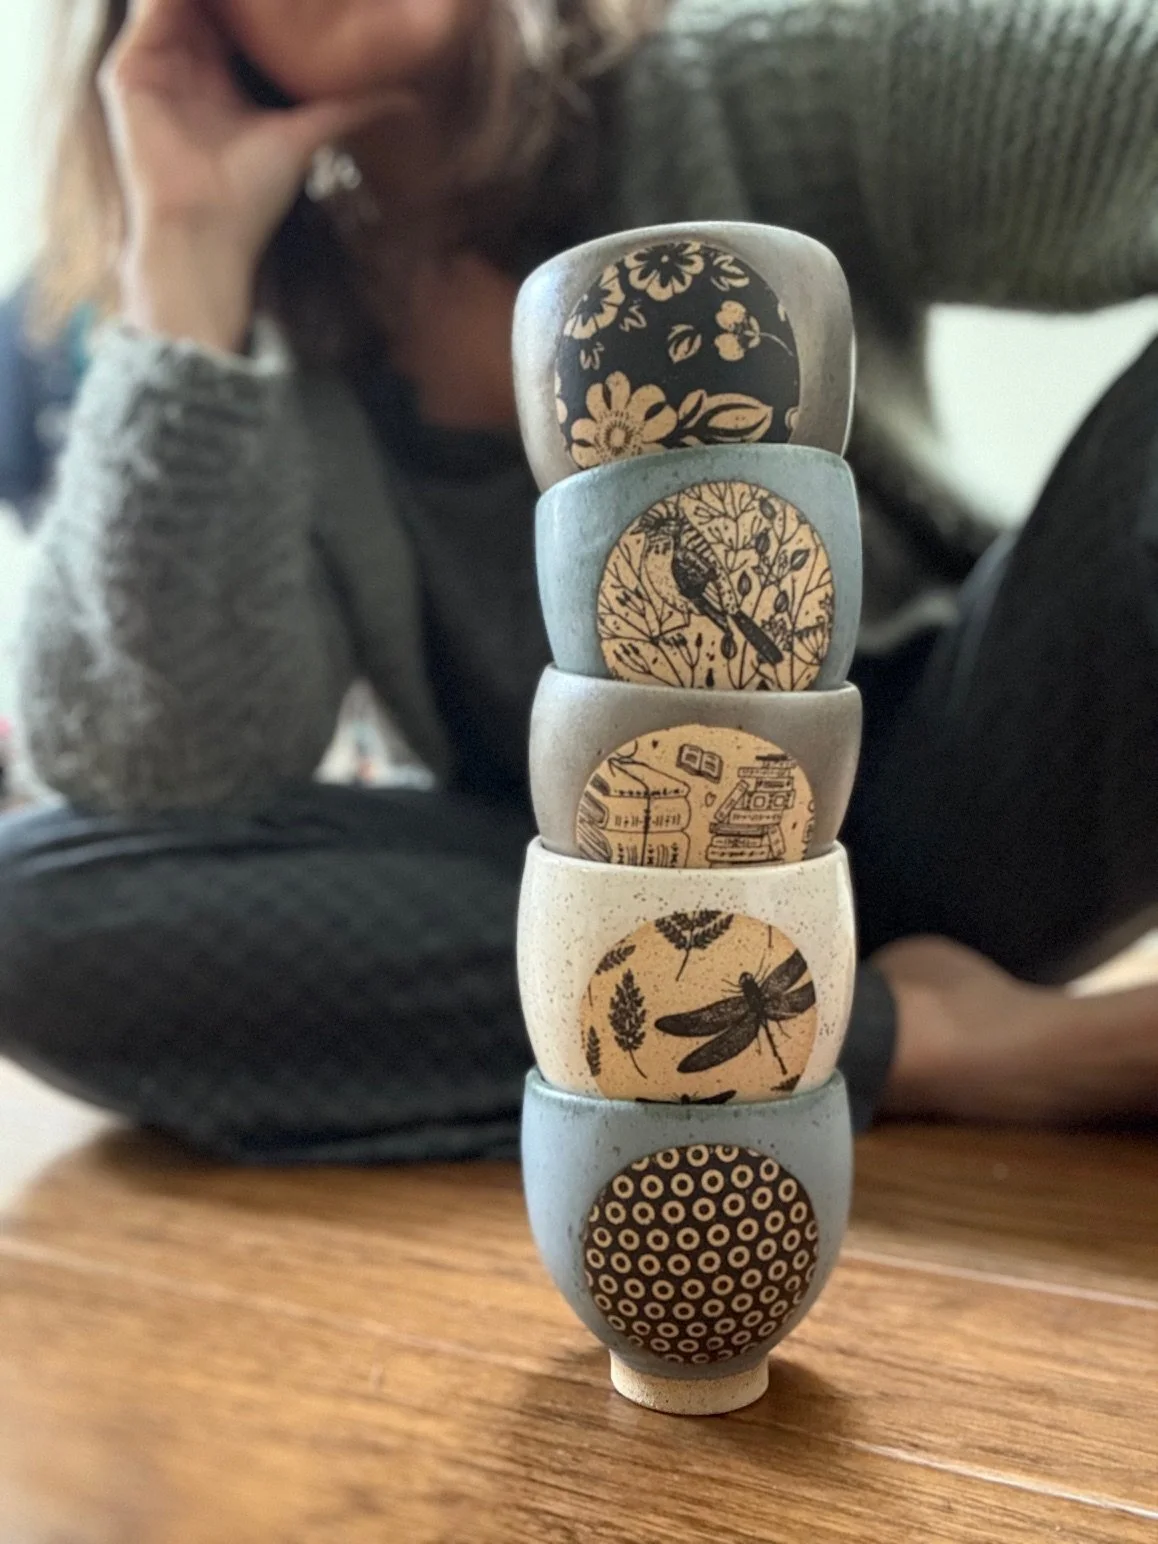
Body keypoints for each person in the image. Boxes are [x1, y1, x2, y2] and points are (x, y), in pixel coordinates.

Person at [0, 0, 1156, 1161]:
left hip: (961, 789)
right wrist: (193, 253)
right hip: (577, 900)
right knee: (25, 906)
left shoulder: (748, 93)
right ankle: (924, 1042)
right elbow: (153, 767)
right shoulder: (281, 322)